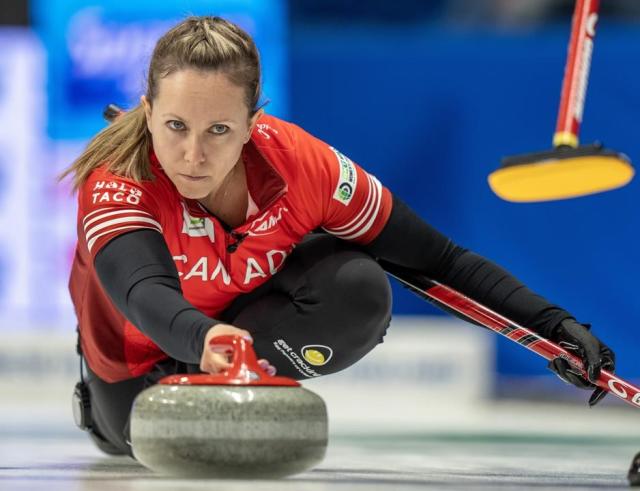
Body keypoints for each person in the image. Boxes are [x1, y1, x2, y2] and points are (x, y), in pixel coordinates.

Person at [62, 16, 615, 457]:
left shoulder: (304, 166)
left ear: (254, 124)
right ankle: (197, 389)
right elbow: (143, 292)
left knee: (356, 286)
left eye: (220, 130)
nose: (193, 155)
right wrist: (208, 343)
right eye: (177, 126)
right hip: (138, 365)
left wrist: (553, 326)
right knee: (145, 428)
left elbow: (438, 260)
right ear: (148, 111)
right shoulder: (119, 173)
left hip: (233, 343)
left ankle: (231, 385)